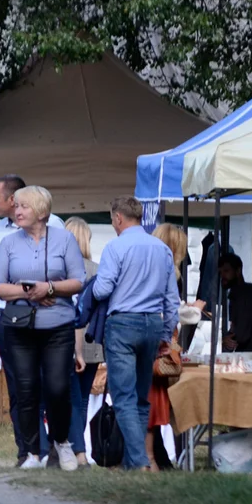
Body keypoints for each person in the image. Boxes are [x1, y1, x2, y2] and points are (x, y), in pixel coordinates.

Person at [0, 185, 86, 471]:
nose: (17, 211)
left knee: (58, 387)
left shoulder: (65, 239)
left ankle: (62, 443)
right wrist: (27, 292)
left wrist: (51, 288)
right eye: (16, 206)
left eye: (24, 206)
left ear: (42, 211)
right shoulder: (8, 243)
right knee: (26, 389)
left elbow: (78, 280)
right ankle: (32, 452)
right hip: (20, 326)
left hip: (58, 326)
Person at [91, 196, 178, 471]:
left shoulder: (115, 247)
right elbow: (171, 300)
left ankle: (139, 461)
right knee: (142, 397)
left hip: (123, 324)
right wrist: (166, 334)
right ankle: (133, 462)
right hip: (152, 323)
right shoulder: (161, 249)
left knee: (123, 396)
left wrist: (89, 291)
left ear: (118, 218)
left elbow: (102, 290)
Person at [149, 222, 189, 472]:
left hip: (148, 338)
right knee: (151, 402)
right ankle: (152, 458)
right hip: (158, 343)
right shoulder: (167, 273)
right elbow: (169, 311)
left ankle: (156, 456)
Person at [66, 217, 102, 470]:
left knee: (71, 398)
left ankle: (76, 450)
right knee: (82, 400)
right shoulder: (98, 270)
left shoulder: (62, 269)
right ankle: (79, 450)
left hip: (67, 339)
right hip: (93, 342)